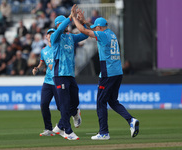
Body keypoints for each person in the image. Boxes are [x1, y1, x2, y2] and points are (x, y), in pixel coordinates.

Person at [71, 5, 139, 140]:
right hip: (117, 72)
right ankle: (131, 120)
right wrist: (85, 21)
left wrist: (74, 18)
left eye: (97, 27)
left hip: (107, 73)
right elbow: (92, 28)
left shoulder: (102, 35)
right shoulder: (111, 33)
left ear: (100, 28)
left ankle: (104, 132)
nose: (95, 29)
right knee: (112, 101)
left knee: (100, 102)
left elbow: (84, 31)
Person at [51, 8, 88, 140]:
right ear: (58, 25)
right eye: (64, 24)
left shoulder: (71, 37)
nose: (67, 26)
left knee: (75, 100)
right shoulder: (54, 36)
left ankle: (73, 114)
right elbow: (60, 30)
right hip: (59, 75)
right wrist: (70, 17)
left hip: (70, 75)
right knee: (65, 103)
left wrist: (82, 22)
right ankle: (67, 131)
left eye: (67, 24)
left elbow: (84, 35)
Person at [32, 28, 60, 136]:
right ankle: (48, 129)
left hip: (58, 80)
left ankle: (65, 127)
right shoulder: (44, 50)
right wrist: (37, 69)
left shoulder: (58, 47)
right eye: (49, 34)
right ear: (46, 37)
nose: (51, 35)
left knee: (60, 107)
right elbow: (42, 63)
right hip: (48, 81)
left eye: (53, 34)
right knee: (44, 104)